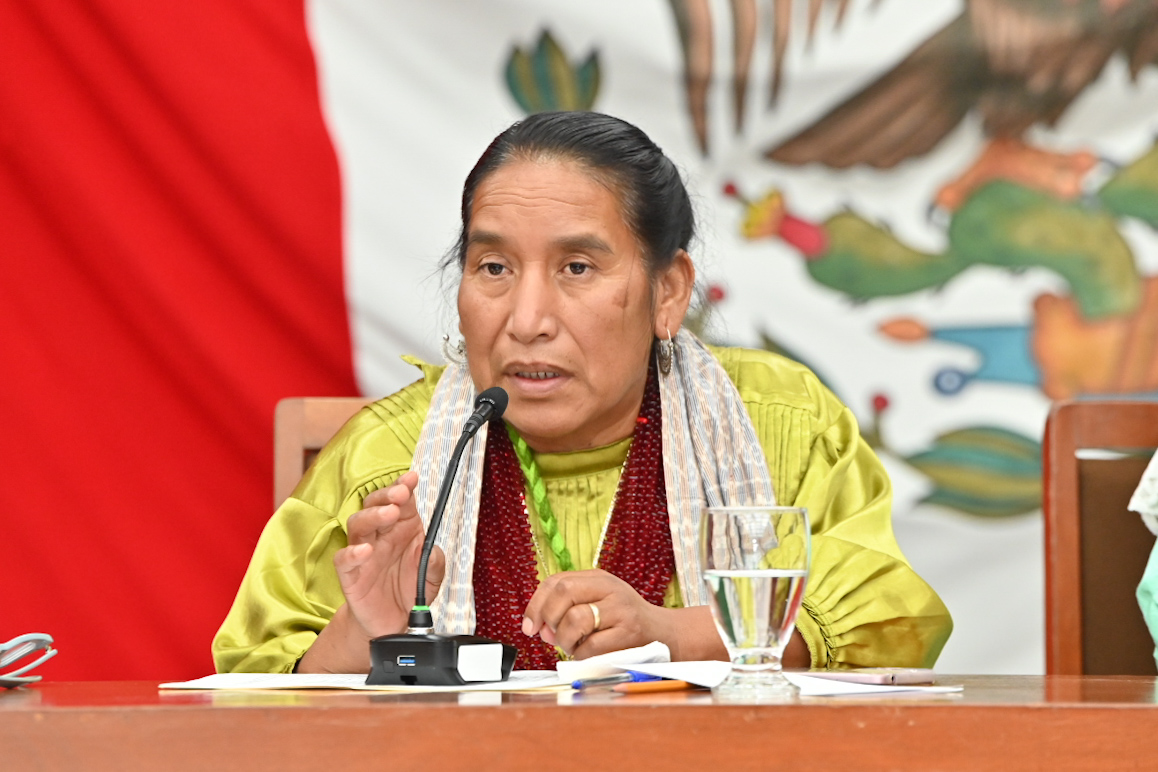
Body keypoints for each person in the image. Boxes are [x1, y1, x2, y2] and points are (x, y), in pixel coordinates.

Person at [213, 111, 952, 674]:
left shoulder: (777, 427)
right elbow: (257, 701)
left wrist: (668, 636)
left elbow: (883, 625)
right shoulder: (392, 465)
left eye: (576, 268)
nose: (527, 320)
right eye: (494, 268)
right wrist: (370, 630)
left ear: (668, 292)